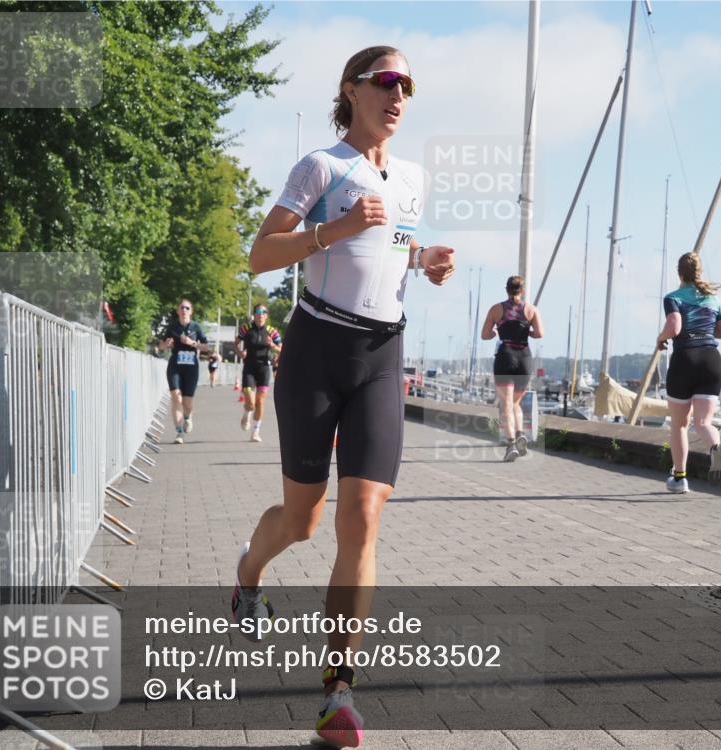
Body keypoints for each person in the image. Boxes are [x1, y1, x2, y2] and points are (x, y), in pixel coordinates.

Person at [233, 46, 454, 749]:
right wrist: (332, 229)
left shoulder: (414, 179)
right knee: (303, 521)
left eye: (407, 85)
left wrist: (427, 262)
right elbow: (260, 254)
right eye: (387, 81)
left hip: (383, 354)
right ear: (352, 89)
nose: (399, 95)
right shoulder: (320, 168)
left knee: (361, 516)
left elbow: (395, 250)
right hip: (316, 351)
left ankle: (337, 693)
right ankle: (248, 574)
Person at [656, 252, 721, 493]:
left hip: (685, 359)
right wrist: (703, 328)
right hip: (711, 360)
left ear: (679, 273)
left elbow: (674, 326)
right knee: (703, 422)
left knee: (679, 424)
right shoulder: (713, 299)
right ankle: (715, 448)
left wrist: (661, 338)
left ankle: (679, 478)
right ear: (699, 272)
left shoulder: (673, 298)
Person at [481, 276, 544, 461]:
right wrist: (526, 331)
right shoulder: (531, 310)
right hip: (524, 357)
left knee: (505, 405)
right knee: (515, 402)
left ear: (506, 289)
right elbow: (539, 333)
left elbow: (485, 334)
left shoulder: (496, 309)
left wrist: (495, 332)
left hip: (505, 356)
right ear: (522, 290)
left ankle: (511, 445)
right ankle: (520, 434)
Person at [157, 299, 210, 444]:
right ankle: (179, 433)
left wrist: (192, 343)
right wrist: (166, 344)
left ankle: (187, 417)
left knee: (187, 403)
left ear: (191, 311)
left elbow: (206, 347)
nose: (184, 310)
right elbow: (160, 345)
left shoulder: (196, 327)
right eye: (182, 308)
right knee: (176, 397)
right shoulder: (172, 327)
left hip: (191, 366)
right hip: (175, 365)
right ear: (178, 311)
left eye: (187, 308)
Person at [236, 305, 282, 442]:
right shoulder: (245, 329)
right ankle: (247, 412)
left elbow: (282, 349)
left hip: (264, 368)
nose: (260, 315)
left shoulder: (272, 332)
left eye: (263, 313)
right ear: (254, 315)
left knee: (260, 402)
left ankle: (255, 432)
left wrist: (272, 345)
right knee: (250, 402)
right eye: (257, 312)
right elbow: (236, 343)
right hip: (249, 368)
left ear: (266, 316)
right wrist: (240, 353)